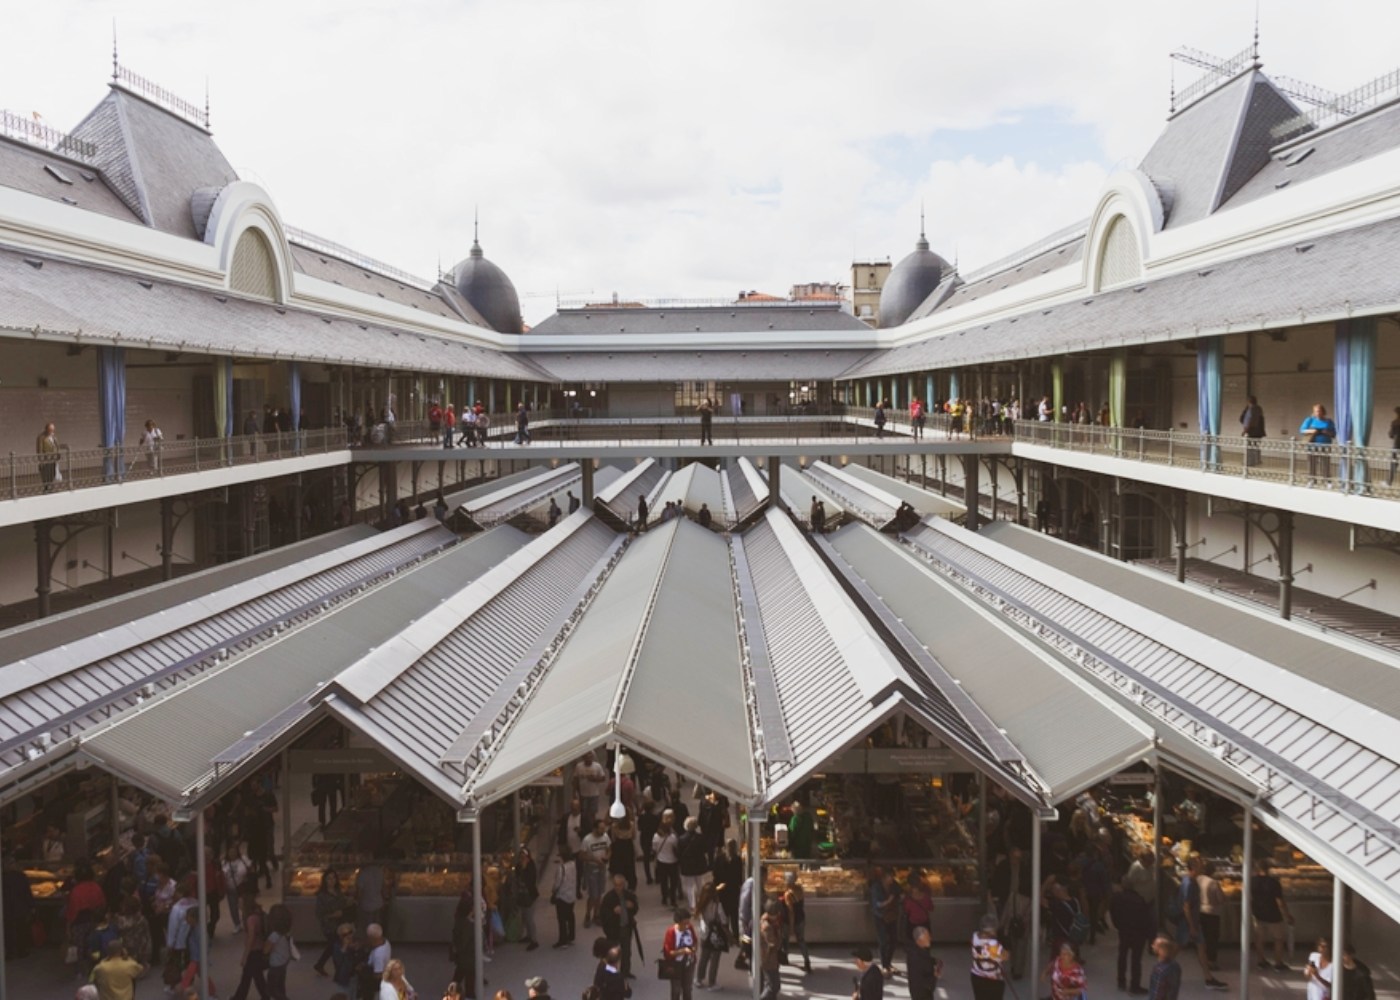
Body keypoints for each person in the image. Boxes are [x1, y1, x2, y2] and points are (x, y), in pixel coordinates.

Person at [1171, 854, 1227, 990]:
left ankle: (1208, 978)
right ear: (1193, 868)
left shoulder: (1191, 880)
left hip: (1193, 921)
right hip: (1188, 922)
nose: (1202, 867)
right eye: (1199, 865)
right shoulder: (1189, 883)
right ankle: (1161, 967)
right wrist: (1192, 927)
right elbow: (1186, 906)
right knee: (1178, 946)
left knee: (1201, 948)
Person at [1110, 878, 1153, 994]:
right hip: (1138, 933)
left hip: (1124, 931)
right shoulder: (1139, 900)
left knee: (1122, 956)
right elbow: (1146, 919)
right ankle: (1135, 986)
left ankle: (1121, 981)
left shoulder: (1117, 898)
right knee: (1136, 960)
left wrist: (1118, 925)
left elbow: (1113, 913)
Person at [1251, 859, 1292, 971]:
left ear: (1256, 869)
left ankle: (1261, 961)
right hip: (1273, 914)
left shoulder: (1251, 882)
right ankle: (1278, 963)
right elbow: (1280, 901)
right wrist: (1287, 915)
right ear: (1268, 869)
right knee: (1278, 939)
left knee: (1259, 938)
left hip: (1258, 914)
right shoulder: (1274, 883)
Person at [230, 884, 268, 1000]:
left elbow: (250, 938)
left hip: (253, 952)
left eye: (240, 903)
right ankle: (241, 996)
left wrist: (245, 956)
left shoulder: (250, 919)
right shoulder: (257, 914)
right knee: (253, 976)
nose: (238, 905)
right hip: (258, 949)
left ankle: (242, 997)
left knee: (252, 976)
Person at [599, 873, 639, 979]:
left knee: (626, 952)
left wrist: (632, 906)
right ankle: (611, 973)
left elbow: (635, 908)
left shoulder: (628, 895)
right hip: (614, 929)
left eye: (620, 885)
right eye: (616, 885)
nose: (618, 887)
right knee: (613, 952)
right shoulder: (609, 897)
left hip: (626, 928)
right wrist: (613, 912)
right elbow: (603, 913)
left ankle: (625, 971)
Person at [695, 880, 727, 989]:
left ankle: (699, 979)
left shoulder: (701, 904)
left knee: (704, 957)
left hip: (704, 934)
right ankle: (712, 982)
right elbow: (723, 919)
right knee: (715, 959)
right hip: (715, 934)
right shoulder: (717, 905)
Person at [581, 818, 612, 928]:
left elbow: (609, 849)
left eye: (604, 828)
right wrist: (594, 860)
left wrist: (607, 857)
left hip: (602, 868)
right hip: (591, 868)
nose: (603, 830)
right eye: (601, 828)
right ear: (595, 828)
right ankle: (588, 914)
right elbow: (582, 855)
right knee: (593, 894)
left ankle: (597, 915)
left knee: (599, 893)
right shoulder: (587, 840)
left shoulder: (605, 837)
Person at [662, 907, 698, 1000]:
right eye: (684, 923)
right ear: (678, 922)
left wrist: (694, 948)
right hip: (676, 964)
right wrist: (683, 951)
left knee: (687, 989)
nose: (687, 925)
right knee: (676, 990)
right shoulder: (671, 932)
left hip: (689, 963)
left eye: (688, 922)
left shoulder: (690, 928)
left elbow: (695, 941)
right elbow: (669, 952)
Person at [869, 867, 900, 975]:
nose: (892, 880)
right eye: (890, 877)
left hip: (891, 915)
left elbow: (900, 894)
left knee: (893, 940)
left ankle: (888, 963)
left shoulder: (894, 885)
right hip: (880, 917)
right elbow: (877, 904)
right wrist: (888, 901)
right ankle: (884, 965)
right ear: (884, 878)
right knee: (883, 941)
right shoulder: (876, 888)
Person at [970, 913, 1008, 1000]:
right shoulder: (994, 944)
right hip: (993, 980)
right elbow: (1005, 956)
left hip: (976, 975)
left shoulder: (974, 937)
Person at [1196, 860, 1225, 969]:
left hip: (1200, 910)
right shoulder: (1213, 883)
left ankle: (1202, 958)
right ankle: (1211, 961)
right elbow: (1220, 899)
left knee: (1202, 937)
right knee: (1212, 938)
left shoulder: (1198, 879)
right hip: (1212, 912)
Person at [1299, 403, 1336, 484]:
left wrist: (1326, 432)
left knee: (1325, 463)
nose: (1318, 413)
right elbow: (1302, 430)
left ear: (1323, 412)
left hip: (1325, 445)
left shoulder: (1328, 422)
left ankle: (1326, 480)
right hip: (1313, 445)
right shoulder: (1310, 420)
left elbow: (1334, 434)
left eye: (1319, 411)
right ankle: (1312, 479)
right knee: (1312, 463)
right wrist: (1312, 431)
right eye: (1316, 411)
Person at [552, 851, 578, 948]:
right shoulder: (573, 865)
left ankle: (563, 940)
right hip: (571, 895)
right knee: (570, 915)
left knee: (562, 919)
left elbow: (557, 883)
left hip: (562, 896)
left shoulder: (561, 868)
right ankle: (571, 936)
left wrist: (553, 890)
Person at [575, 753, 608, 827]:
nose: (589, 759)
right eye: (587, 758)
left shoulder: (597, 766)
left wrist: (594, 779)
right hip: (583, 794)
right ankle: (584, 826)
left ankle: (592, 826)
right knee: (584, 812)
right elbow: (576, 779)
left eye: (590, 757)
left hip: (594, 794)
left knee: (592, 812)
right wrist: (575, 792)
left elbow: (603, 778)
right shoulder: (579, 766)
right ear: (583, 758)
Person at [906, 925, 938, 1000]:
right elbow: (920, 980)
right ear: (919, 940)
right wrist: (935, 975)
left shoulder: (918, 951)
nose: (930, 939)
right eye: (927, 937)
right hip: (921, 994)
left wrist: (934, 961)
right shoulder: (916, 957)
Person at [758, 900, 782, 1000]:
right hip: (768, 959)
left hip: (767, 958)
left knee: (769, 983)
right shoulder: (767, 927)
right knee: (774, 986)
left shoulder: (766, 920)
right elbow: (773, 943)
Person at [1148, 934, 1182, 1000]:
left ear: (1161, 950)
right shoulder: (1176, 966)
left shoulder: (1159, 969)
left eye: (1155, 945)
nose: (1152, 946)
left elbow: (1156, 990)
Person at [1240, 395, 1266, 467]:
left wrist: (1245, 430)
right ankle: (1257, 460)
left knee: (1250, 447)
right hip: (1258, 432)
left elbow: (1250, 421)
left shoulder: (1252, 409)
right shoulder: (1258, 409)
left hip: (1252, 431)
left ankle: (1249, 462)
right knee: (1256, 447)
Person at [36, 421, 60, 491]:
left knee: (52, 473)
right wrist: (41, 460)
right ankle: (46, 488)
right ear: (47, 429)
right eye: (50, 430)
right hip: (46, 459)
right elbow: (39, 449)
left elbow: (56, 446)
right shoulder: (41, 437)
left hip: (53, 459)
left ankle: (51, 486)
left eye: (53, 430)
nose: (52, 431)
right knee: (46, 474)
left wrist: (58, 455)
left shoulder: (53, 437)